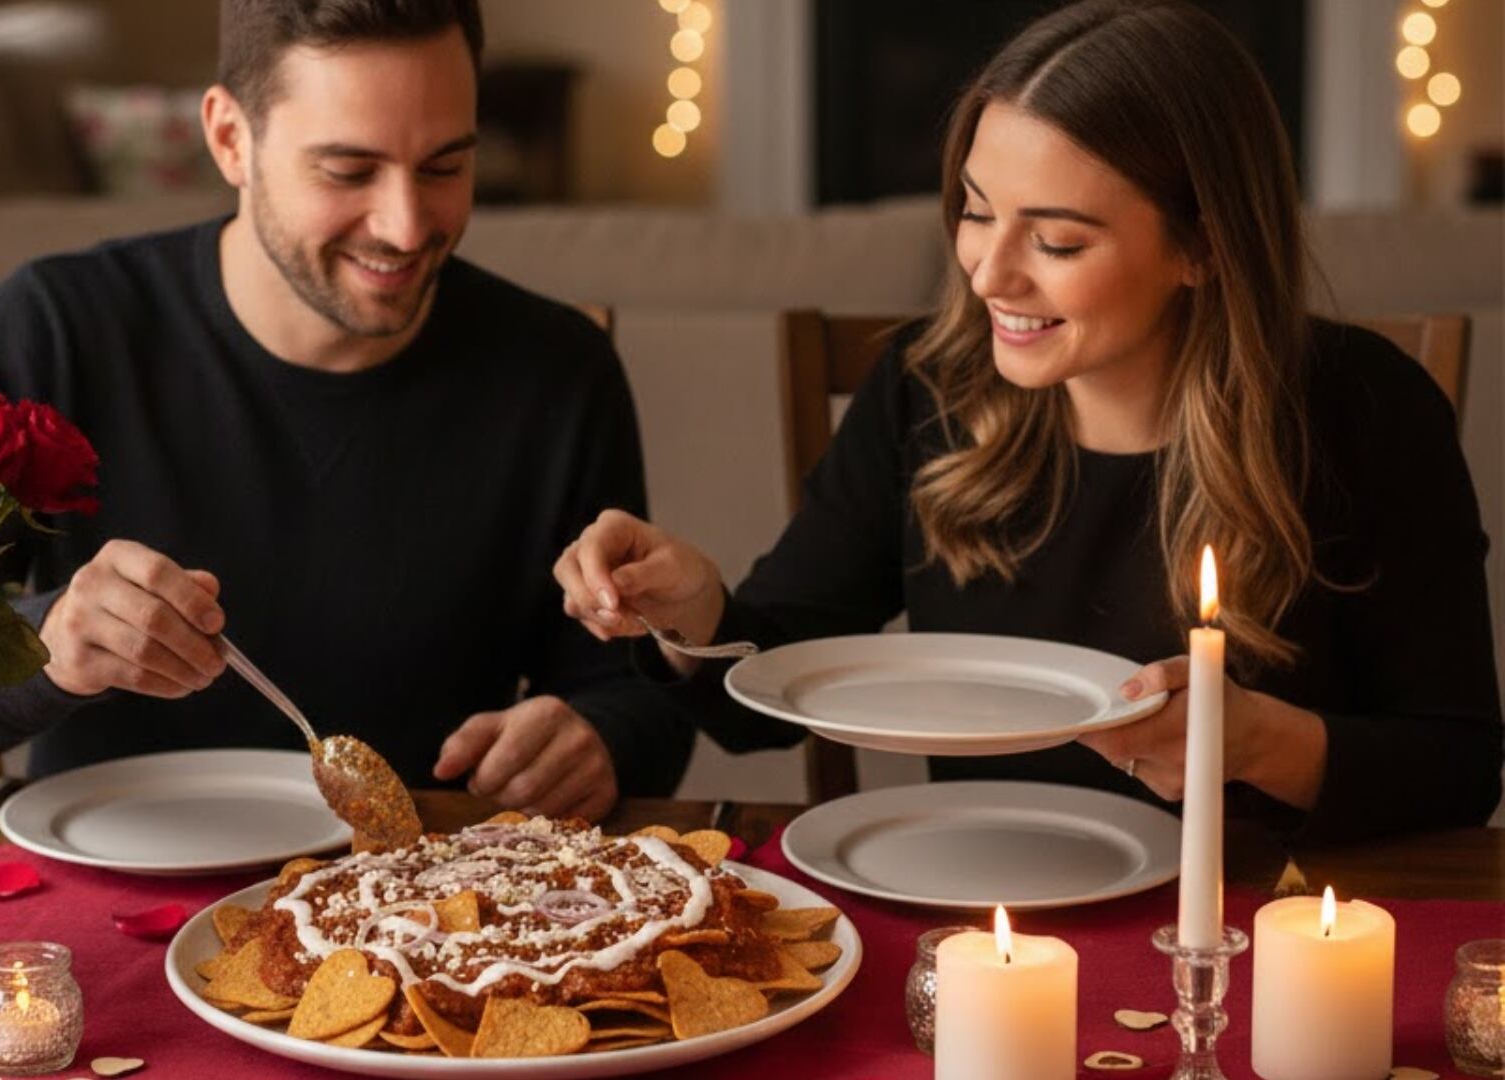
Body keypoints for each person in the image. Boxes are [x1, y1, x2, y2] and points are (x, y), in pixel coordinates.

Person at [555, 0, 1501, 840]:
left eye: (1055, 240)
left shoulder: (1365, 411)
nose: (989, 273)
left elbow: (1457, 771)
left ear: (1203, 245)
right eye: (975, 212)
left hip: (1261, 926)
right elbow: (767, 694)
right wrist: (690, 614)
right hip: (973, 923)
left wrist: (1258, 742)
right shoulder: (928, 389)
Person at [0, 0, 694, 820]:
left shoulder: (556, 369)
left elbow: (628, 688)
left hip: (424, 907)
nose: (406, 228)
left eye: (444, 166)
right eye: (348, 171)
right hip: (104, 894)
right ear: (231, 139)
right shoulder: (59, 327)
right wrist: (46, 648)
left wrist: (597, 738)